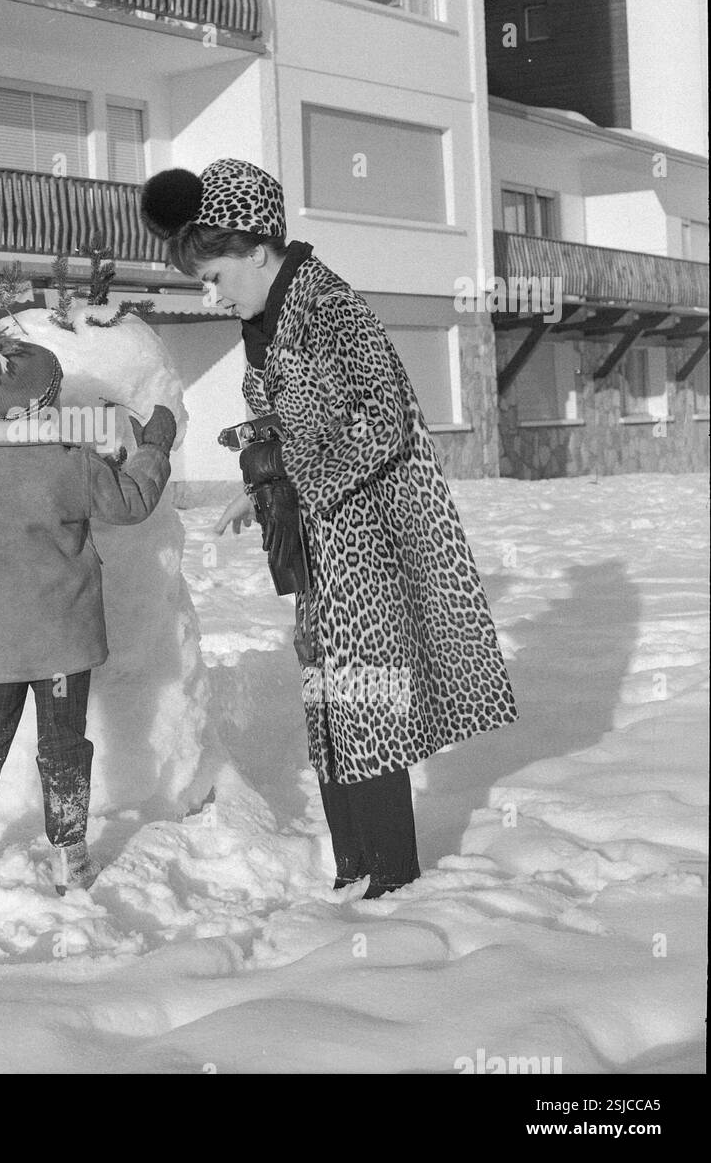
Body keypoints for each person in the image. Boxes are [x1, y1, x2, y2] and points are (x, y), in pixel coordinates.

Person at [141, 159, 517, 898]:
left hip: (370, 537)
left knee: (366, 700)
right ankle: (357, 868)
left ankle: (393, 880)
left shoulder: (329, 306)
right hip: (325, 537)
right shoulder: (274, 317)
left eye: (215, 274)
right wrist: (268, 482)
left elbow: (382, 421)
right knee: (329, 698)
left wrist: (300, 481)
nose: (211, 293)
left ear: (257, 250)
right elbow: (305, 417)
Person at [0, 328, 177, 903]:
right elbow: (133, 504)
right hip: (62, 645)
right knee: (64, 748)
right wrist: (154, 447)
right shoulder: (72, 465)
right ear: (47, 401)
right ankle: (70, 860)